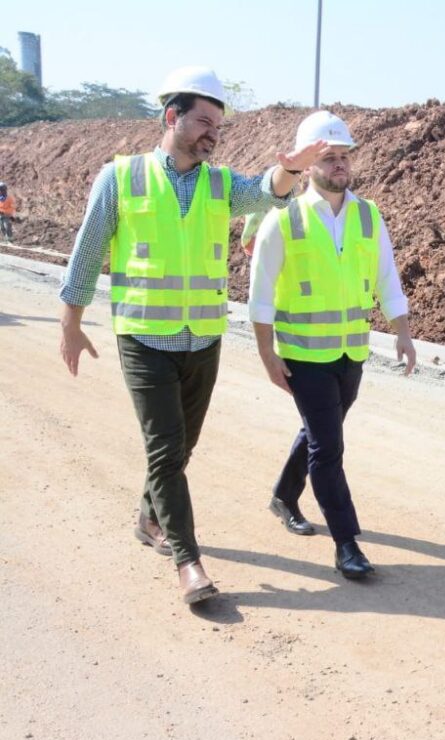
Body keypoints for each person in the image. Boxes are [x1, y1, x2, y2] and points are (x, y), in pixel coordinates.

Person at [57, 66, 327, 605]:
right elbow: (88, 251)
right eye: (204, 122)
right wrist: (71, 323)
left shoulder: (220, 184)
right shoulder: (121, 177)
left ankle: (148, 517)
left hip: (202, 338)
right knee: (165, 449)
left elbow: (264, 193)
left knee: (181, 447)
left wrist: (291, 169)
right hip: (144, 337)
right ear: (171, 117)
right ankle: (189, 562)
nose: (212, 135)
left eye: (218, 128)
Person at [249, 110, 416, 579]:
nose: (339, 163)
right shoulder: (283, 219)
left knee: (320, 432)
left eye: (344, 155)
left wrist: (403, 332)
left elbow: (387, 276)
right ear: (307, 165)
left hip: (350, 354)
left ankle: (285, 496)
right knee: (328, 448)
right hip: (303, 356)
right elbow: (261, 293)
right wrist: (267, 355)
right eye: (328, 157)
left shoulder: (368, 215)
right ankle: (346, 543)